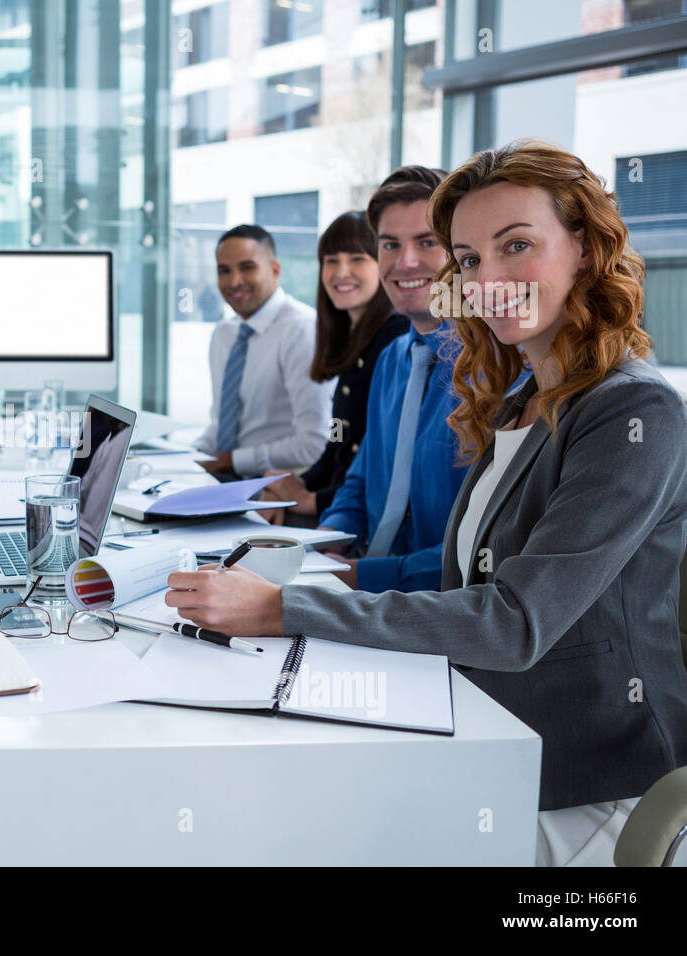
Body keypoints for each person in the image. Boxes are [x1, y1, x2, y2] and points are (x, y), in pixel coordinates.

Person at [165, 140, 687, 867]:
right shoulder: (517, 399)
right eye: (470, 259)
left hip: (583, 780)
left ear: (588, 251)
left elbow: (513, 620)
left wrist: (281, 609)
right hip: (482, 723)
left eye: (517, 246)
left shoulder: (633, 410)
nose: (488, 277)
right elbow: (461, 579)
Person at [295, 167, 467, 593]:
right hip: (360, 587)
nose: (405, 262)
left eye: (426, 242)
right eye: (390, 245)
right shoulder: (393, 359)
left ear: (463, 252)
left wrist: (355, 577)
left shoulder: (498, 370)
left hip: (439, 608)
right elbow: (360, 480)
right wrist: (327, 544)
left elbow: (476, 552)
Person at [261, 211, 408, 525]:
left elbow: (383, 463)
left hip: (360, 518)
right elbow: (338, 446)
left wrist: (311, 500)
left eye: (357, 259)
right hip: (336, 504)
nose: (341, 272)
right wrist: (293, 485)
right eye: (330, 260)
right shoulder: (351, 338)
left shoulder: (395, 338)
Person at [193, 225, 334, 478]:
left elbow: (314, 442)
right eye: (224, 271)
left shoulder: (303, 331)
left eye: (247, 267)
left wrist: (232, 461)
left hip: (274, 485)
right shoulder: (224, 334)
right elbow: (222, 426)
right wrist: (189, 456)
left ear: (275, 270)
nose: (234, 281)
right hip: (223, 479)